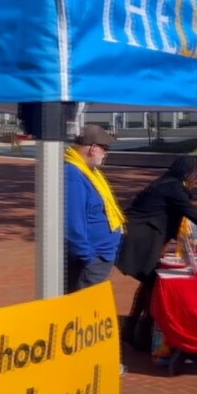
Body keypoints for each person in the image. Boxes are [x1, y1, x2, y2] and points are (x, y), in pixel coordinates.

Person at [116, 155, 197, 350]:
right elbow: (191, 213)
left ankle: (138, 328)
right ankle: (140, 330)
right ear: (187, 173)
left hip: (143, 236)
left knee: (150, 280)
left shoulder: (167, 183)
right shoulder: (173, 188)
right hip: (140, 239)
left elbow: (174, 218)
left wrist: (193, 242)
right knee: (152, 280)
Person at [64, 124, 124, 293]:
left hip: (100, 255)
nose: (106, 154)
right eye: (105, 149)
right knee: (81, 310)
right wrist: (87, 256)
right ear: (93, 148)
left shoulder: (89, 172)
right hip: (92, 260)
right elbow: (72, 222)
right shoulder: (73, 176)